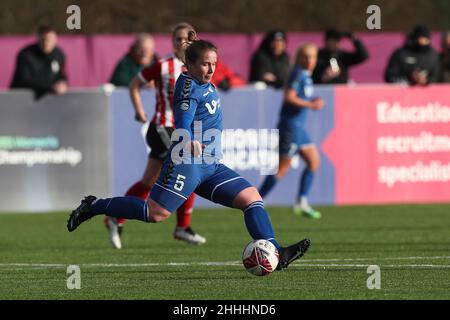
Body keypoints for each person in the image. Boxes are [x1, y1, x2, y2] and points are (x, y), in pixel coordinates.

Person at [67, 35, 311, 271]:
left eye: (213, 64)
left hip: (211, 164)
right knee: (155, 213)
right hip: (187, 161)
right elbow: (182, 119)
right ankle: (94, 206)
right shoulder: (188, 86)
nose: (211, 69)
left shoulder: (203, 80)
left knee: (251, 198)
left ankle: (278, 253)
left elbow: (206, 66)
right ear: (190, 65)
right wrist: (188, 137)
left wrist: (195, 44)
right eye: (205, 64)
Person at [103, 23, 206, 249]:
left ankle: (114, 216)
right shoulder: (163, 65)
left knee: (148, 182)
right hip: (163, 127)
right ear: (172, 41)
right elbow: (134, 84)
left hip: (182, 129)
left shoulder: (199, 67)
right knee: (190, 169)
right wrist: (139, 110)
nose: (182, 43)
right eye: (178, 39)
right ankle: (182, 227)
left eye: (187, 39)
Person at [259, 44, 324, 219]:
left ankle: (302, 202)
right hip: (290, 126)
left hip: (298, 128)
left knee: (314, 162)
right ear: (300, 58)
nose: (310, 61)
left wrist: (311, 100)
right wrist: (311, 104)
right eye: (306, 57)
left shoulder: (306, 75)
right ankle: (255, 200)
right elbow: (289, 97)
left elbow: (299, 97)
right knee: (282, 169)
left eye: (313, 57)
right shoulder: (297, 73)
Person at [10, 25, 68, 99]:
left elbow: (62, 76)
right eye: (43, 39)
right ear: (38, 38)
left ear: (56, 39)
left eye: (49, 40)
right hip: (21, 99)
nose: (46, 43)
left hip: (49, 100)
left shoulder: (59, 55)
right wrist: (50, 87)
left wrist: (63, 85)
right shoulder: (26, 54)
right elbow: (25, 80)